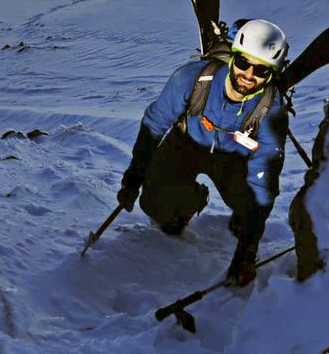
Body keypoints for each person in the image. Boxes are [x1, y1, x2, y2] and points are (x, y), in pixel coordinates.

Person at [117, 19, 290, 286]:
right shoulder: (192, 78)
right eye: (243, 62)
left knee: (249, 213)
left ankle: (242, 221)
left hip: (234, 160)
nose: (249, 74)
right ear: (232, 58)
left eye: (261, 69)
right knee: (155, 206)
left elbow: (264, 180)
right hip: (186, 143)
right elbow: (155, 124)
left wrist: (248, 249)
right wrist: (133, 178)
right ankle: (192, 199)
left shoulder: (271, 110)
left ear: (271, 74)